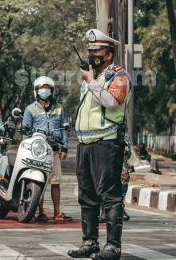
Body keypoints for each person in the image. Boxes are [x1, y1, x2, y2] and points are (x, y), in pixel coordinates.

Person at [68, 29, 131, 260]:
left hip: (106, 143)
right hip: (85, 143)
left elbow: (112, 102)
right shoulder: (93, 77)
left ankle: (113, 247)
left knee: (109, 196)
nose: (92, 53)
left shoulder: (119, 77)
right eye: (90, 50)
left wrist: (92, 82)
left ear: (109, 54)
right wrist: (92, 80)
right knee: (87, 195)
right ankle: (90, 243)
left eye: (97, 50)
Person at [22, 76, 71, 222]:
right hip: (37, 151)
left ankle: (57, 212)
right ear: (36, 91)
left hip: (54, 150)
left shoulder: (59, 108)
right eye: (42, 89)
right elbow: (26, 131)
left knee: (55, 182)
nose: (45, 91)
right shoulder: (30, 109)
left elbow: (64, 129)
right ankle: (40, 211)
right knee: (39, 181)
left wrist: (65, 148)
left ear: (52, 91)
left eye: (48, 89)